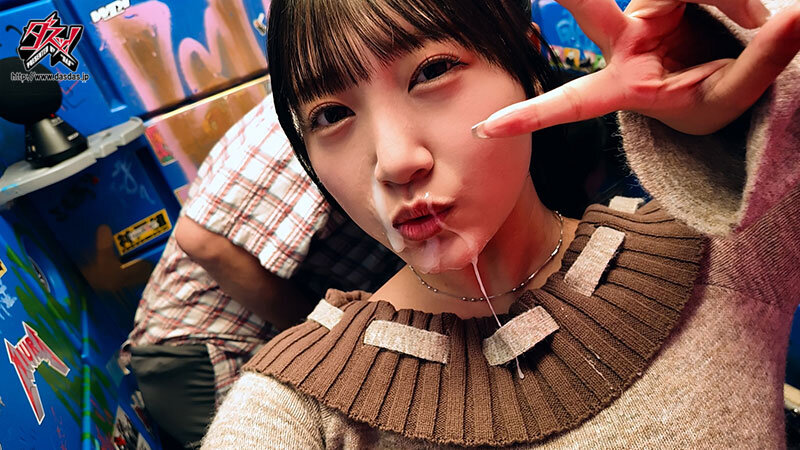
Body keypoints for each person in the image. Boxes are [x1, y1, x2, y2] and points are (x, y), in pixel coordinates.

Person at [203, 0, 800, 448]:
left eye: (432, 71)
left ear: (527, 62)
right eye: (330, 114)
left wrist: (749, 108)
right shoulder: (307, 403)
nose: (395, 162)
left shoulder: (721, 256)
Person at [122, 95, 403, 448]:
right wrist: (328, 336)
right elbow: (201, 241)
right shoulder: (318, 116)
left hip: (216, 353)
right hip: (206, 357)